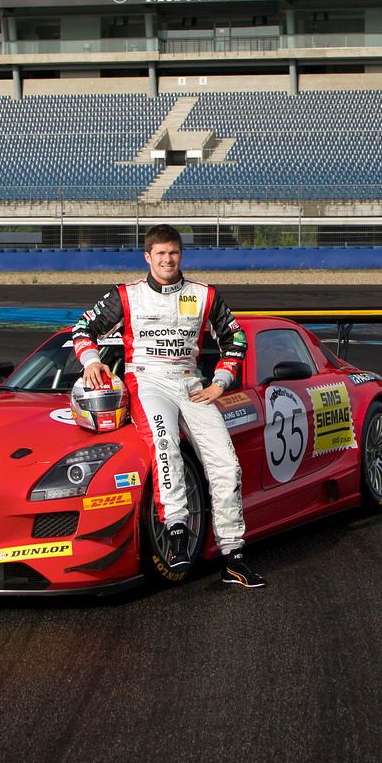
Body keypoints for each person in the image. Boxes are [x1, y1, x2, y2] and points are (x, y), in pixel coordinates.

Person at [72, 224, 264, 589]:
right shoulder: (127, 295)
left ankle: (234, 556)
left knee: (227, 464)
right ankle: (176, 531)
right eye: (159, 253)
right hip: (148, 382)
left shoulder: (204, 295)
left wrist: (219, 384)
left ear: (181, 255)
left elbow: (235, 338)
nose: (167, 259)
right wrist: (92, 361)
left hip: (192, 385)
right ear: (148, 257)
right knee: (166, 448)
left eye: (173, 252)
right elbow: (82, 328)